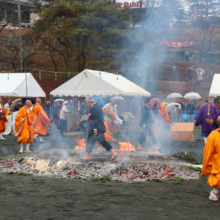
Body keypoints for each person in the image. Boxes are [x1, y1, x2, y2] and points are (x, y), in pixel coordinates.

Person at [81, 96, 118, 161]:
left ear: (89, 102)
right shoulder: (96, 106)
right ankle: (113, 153)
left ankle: (88, 156)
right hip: (98, 127)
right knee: (96, 141)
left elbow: (95, 119)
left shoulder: (94, 108)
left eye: (87, 103)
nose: (87, 104)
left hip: (96, 128)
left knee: (93, 141)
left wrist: (95, 129)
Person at [202, 116, 220, 202]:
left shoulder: (213, 134)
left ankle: (215, 194)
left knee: (216, 175)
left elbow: (208, 150)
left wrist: (207, 162)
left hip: (217, 161)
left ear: (217, 123)